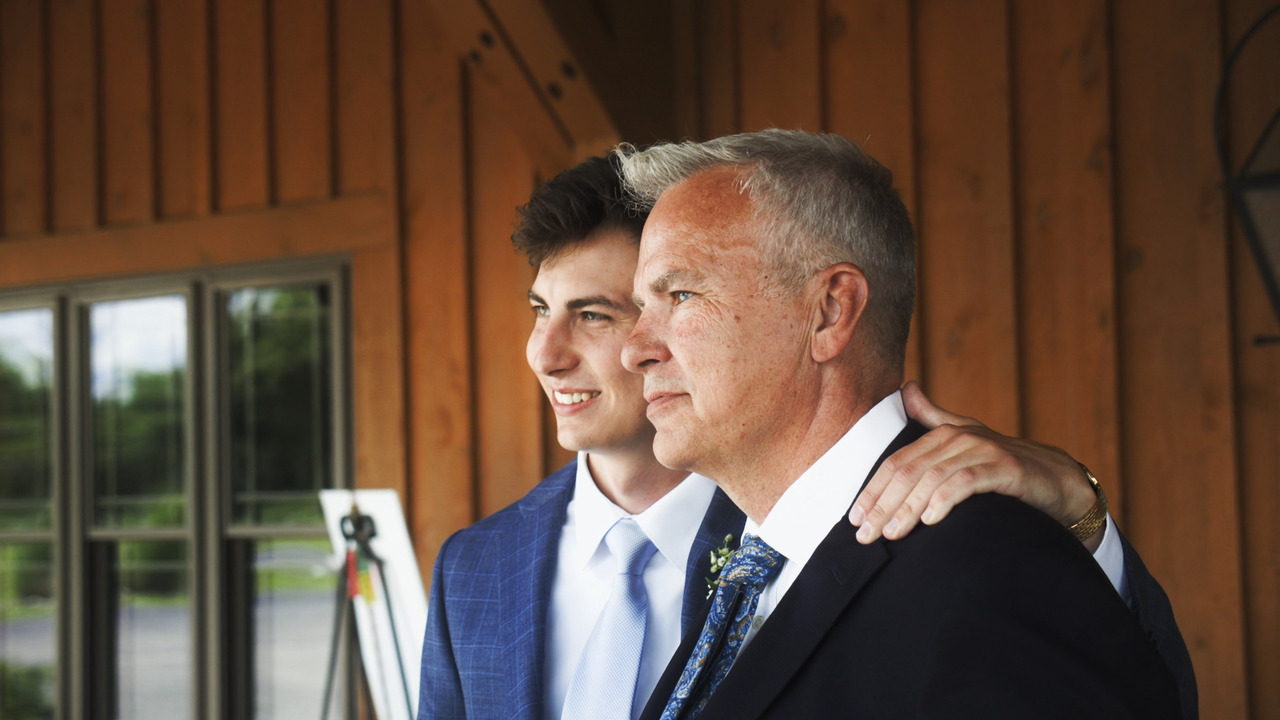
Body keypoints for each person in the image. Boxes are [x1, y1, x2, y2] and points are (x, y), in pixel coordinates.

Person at [418, 154, 1193, 720]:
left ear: (828, 312)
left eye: (679, 294)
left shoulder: (982, 564)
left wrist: (1084, 527)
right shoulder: (755, 570)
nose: (634, 346)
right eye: (639, 305)